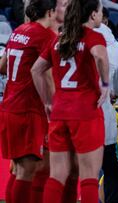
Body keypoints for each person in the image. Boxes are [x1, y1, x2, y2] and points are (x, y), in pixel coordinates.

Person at [30, 0, 109, 203]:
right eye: (100, 11)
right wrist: (106, 84)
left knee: (57, 175)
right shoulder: (93, 36)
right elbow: (100, 56)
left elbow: (36, 70)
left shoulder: (60, 39)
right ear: (93, 15)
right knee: (89, 176)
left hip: (60, 111)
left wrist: (47, 102)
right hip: (86, 113)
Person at [0, 0, 57, 202]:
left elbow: (2, 65)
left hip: (9, 105)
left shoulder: (19, 30)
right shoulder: (46, 35)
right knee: (27, 170)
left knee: (21, 168)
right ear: (50, 12)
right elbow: (48, 77)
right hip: (28, 109)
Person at [94, 22, 118, 203]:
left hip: (69, 113)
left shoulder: (66, 39)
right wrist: (114, 93)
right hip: (103, 115)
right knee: (112, 169)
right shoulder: (113, 46)